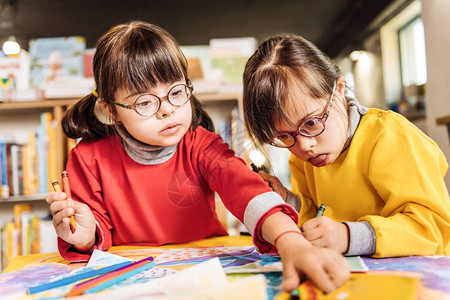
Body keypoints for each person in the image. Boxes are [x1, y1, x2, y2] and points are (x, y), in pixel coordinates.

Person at [46, 21, 350, 293]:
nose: (168, 110)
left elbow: (245, 189)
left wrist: (290, 240)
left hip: (204, 278)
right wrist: (84, 237)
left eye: (177, 93)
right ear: (110, 110)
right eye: (145, 102)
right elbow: (94, 233)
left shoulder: (201, 145)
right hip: (133, 283)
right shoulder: (87, 158)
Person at [243, 34, 450, 258]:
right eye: (284, 136)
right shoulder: (303, 157)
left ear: (339, 89)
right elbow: (316, 217)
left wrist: (349, 236)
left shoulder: (391, 137)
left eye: (311, 123)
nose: (304, 145)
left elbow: (433, 230)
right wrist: (288, 199)